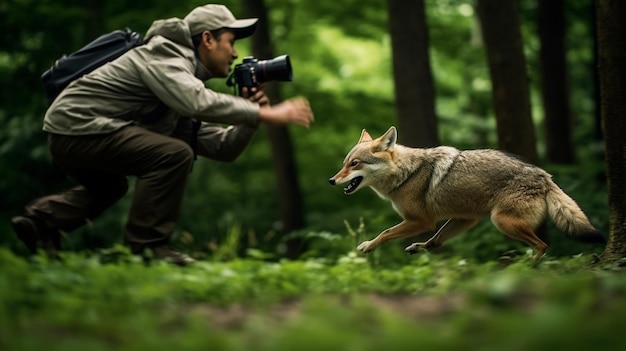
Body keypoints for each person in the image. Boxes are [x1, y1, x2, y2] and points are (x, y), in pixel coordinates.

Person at [10, 4, 314, 265]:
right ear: (207, 39)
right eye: (231, 41)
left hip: (77, 135)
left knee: (111, 187)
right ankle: (147, 249)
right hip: (79, 127)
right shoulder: (165, 55)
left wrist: (250, 119)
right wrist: (268, 113)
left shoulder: (178, 86)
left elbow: (222, 148)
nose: (235, 53)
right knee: (173, 154)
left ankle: (41, 223)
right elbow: (195, 102)